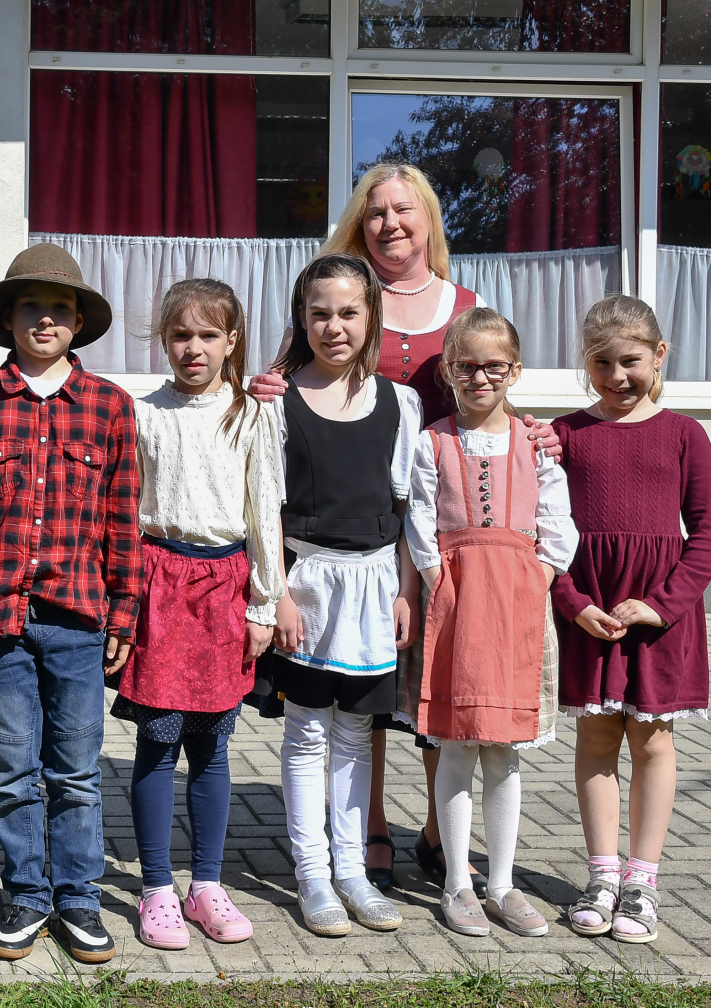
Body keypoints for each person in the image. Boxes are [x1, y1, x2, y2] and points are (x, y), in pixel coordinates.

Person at [250, 163, 556, 894]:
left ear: (429, 219)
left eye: (403, 209)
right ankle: (373, 827)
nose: (390, 223)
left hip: (449, 522)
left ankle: (439, 830)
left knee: (440, 677)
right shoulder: (341, 295)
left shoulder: (465, 304)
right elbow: (284, 388)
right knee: (372, 688)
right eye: (376, 211)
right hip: (365, 530)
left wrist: (539, 435)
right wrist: (258, 387)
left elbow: (495, 385)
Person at [0, 243, 140, 964]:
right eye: (31, 306)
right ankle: (26, 893)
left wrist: (125, 611)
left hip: (78, 620)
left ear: (78, 321)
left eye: (59, 307)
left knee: (76, 770)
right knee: (12, 767)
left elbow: (122, 517)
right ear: (8, 320)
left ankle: (78, 898)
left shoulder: (110, 407)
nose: (45, 319)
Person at [249, 253, 418, 937]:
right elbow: (265, 509)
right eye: (319, 313)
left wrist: (405, 591)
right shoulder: (276, 402)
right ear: (301, 319)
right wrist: (279, 596)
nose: (334, 326)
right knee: (307, 734)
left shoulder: (399, 402)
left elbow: (408, 507)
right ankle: (313, 874)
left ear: (371, 316)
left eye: (348, 312)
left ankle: (353, 871)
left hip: (375, 587)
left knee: (356, 736)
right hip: (309, 585)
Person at [116, 279, 283, 951]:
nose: (195, 348)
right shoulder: (141, 414)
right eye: (181, 334)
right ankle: (156, 888)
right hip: (158, 582)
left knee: (212, 745)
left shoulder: (252, 415)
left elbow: (264, 509)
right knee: (158, 740)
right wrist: (122, 602)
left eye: (209, 335)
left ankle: (206, 884)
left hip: (225, 587)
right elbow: (124, 512)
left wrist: (265, 601)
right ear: (163, 340)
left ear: (232, 342)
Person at [554, 296, 711, 946]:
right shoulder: (566, 435)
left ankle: (641, 881)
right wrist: (573, 603)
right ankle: (601, 877)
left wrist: (662, 603)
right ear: (585, 363)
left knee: (652, 742)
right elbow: (544, 533)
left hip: (659, 618)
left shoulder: (685, 435)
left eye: (630, 360)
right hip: (593, 610)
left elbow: (710, 535)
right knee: (597, 739)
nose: (616, 375)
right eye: (601, 363)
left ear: (658, 356)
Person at [404, 308, 577, 938]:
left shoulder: (534, 443)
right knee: (456, 744)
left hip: (517, 605)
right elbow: (420, 518)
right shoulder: (433, 441)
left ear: (515, 371)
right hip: (457, 603)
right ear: (449, 371)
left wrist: (542, 574)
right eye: (466, 366)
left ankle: (501, 883)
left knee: (503, 750)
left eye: (494, 366)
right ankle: (457, 883)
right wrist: (438, 578)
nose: (480, 378)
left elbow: (557, 520)